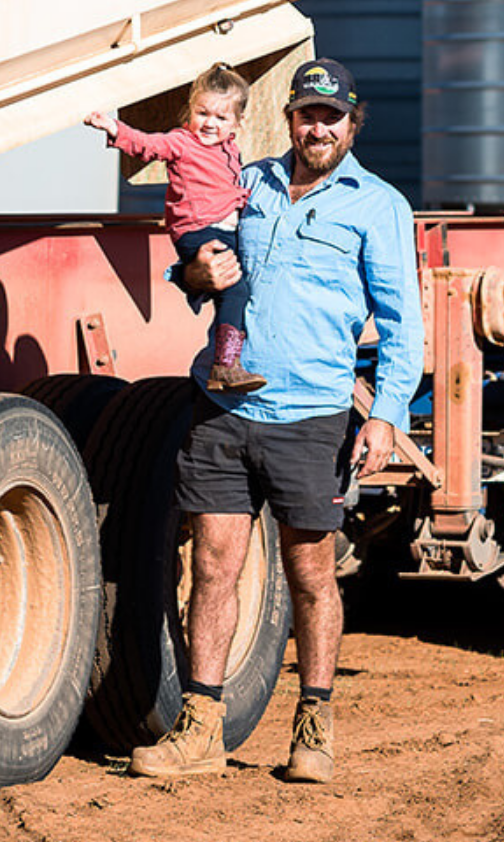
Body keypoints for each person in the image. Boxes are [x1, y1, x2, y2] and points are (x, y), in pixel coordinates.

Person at [128, 58, 424, 784]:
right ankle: (201, 729)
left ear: (352, 125)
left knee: (310, 575)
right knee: (212, 567)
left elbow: (402, 325)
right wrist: (195, 276)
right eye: (306, 114)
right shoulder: (246, 182)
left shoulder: (378, 206)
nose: (317, 127)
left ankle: (314, 727)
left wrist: (384, 416)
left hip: (311, 417)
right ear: (288, 119)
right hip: (226, 407)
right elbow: (195, 266)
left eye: (332, 117)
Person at [86, 63, 264, 392]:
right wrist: (114, 128)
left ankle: (231, 358)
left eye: (221, 118)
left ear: (237, 123)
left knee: (236, 291)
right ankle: (225, 365)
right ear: (190, 112)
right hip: (198, 229)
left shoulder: (231, 150)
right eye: (202, 113)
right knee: (236, 288)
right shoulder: (182, 142)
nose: (209, 123)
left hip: (220, 229)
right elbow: (148, 144)